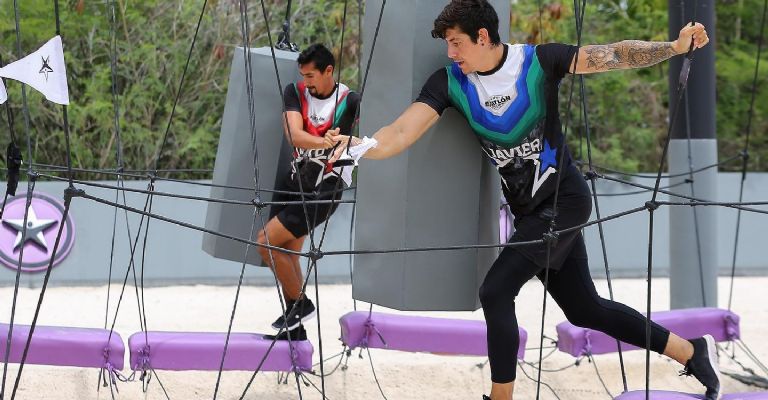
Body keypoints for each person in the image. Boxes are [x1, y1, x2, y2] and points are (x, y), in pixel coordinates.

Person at [331, 1, 719, 399]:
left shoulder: (538, 62)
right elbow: (400, 133)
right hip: (530, 213)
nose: (450, 52)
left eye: (456, 42)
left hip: (565, 201)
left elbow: (614, 54)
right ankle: (691, 351)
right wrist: (360, 147)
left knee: (496, 291)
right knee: (585, 309)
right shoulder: (450, 83)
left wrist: (674, 47)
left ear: (483, 36)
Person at [257, 43, 360, 341]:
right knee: (287, 252)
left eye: (311, 76)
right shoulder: (295, 92)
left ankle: (301, 304)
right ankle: (295, 328)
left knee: (265, 243)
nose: (306, 82)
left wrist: (336, 141)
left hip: (325, 189)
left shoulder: (349, 100)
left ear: (329, 71)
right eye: (303, 75)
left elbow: (349, 141)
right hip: (297, 182)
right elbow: (294, 134)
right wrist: (324, 141)